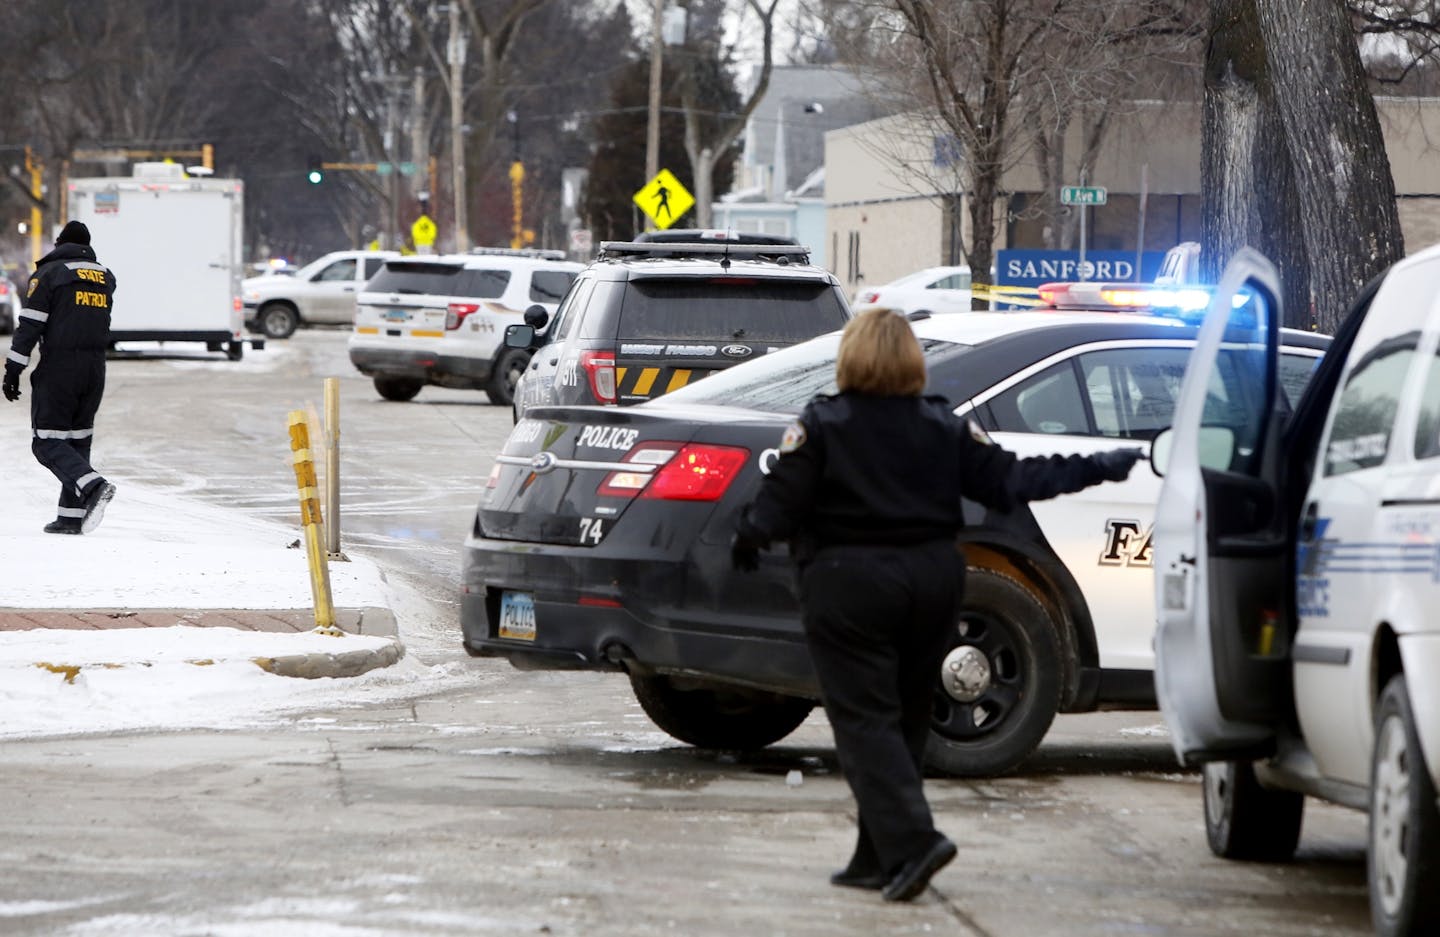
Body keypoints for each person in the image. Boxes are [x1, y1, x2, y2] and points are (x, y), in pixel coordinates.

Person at [731, 307, 1142, 902]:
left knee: (865, 721)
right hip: (933, 582)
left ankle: (914, 840)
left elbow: (780, 502)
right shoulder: (944, 425)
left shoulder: (823, 424)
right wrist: (1098, 467)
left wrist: (749, 537)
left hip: (851, 584)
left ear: (851, 357)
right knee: (905, 719)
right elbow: (1010, 481)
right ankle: (875, 855)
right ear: (911, 362)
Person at [2, 220, 118, 535]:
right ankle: (70, 517)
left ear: (59, 244)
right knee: (77, 441)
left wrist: (14, 368)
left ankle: (93, 486)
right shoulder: (105, 278)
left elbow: (30, 326)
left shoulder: (50, 275)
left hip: (60, 369)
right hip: (94, 370)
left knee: (47, 443)